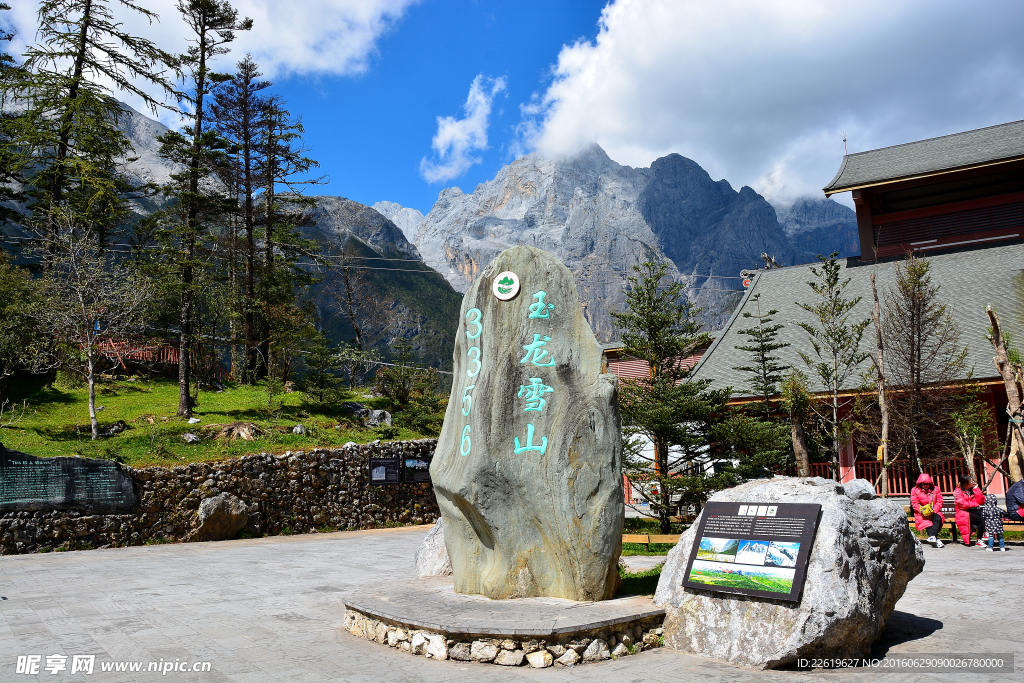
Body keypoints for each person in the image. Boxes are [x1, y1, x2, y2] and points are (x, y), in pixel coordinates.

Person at [911, 473, 945, 547]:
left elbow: (939, 501)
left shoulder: (935, 489)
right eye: (923, 484)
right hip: (921, 513)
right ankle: (936, 539)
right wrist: (923, 511)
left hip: (934, 511)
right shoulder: (915, 490)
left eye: (927, 484)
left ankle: (933, 537)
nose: (925, 485)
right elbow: (915, 503)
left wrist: (933, 511)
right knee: (927, 523)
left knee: (938, 518)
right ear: (920, 484)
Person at [954, 474, 986, 546]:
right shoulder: (958, 491)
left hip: (973, 510)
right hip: (963, 513)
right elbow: (962, 505)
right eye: (971, 481)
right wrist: (976, 504)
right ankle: (980, 538)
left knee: (984, 513)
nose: (973, 481)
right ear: (966, 483)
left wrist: (976, 488)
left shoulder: (972, 490)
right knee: (980, 519)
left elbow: (981, 501)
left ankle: (984, 535)